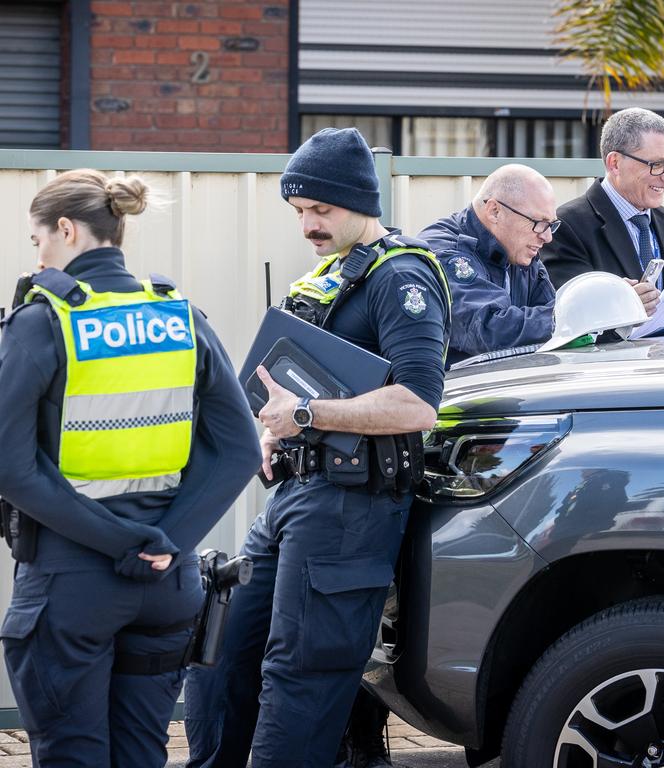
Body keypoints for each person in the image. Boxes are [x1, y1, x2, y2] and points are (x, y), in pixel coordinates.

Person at [184, 127, 450, 768]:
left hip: (351, 510)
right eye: (299, 210)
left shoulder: (403, 276)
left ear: (363, 202)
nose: (307, 224)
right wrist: (277, 430)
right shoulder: (333, 273)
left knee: (302, 672)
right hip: (294, 495)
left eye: (320, 209)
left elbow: (419, 404)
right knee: (221, 650)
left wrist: (305, 413)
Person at [0, 169, 260, 767]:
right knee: (142, 754)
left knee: (74, 754)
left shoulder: (44, 323)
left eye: (38, 240)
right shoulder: (179, 317)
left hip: (73, 586)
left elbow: (12, 468)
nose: (38, 256)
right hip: (168, 585)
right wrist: (168, 543)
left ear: (66, 229)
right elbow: (240, 450)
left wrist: (123, 541)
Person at [541, 107, 664, 311]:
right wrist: (624, 307)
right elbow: (569, 314)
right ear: (615, 163)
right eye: (657, 164)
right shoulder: (567, 226)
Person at [418, 164, 558, 367]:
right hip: (452, 394)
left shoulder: (519, 248)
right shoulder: (445, 252)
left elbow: (553, 313)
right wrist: (579, 315)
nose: (547, 236)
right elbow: (488, 330)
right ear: (494, 211)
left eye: (551, 224)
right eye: (539, 222)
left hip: (500, 386)